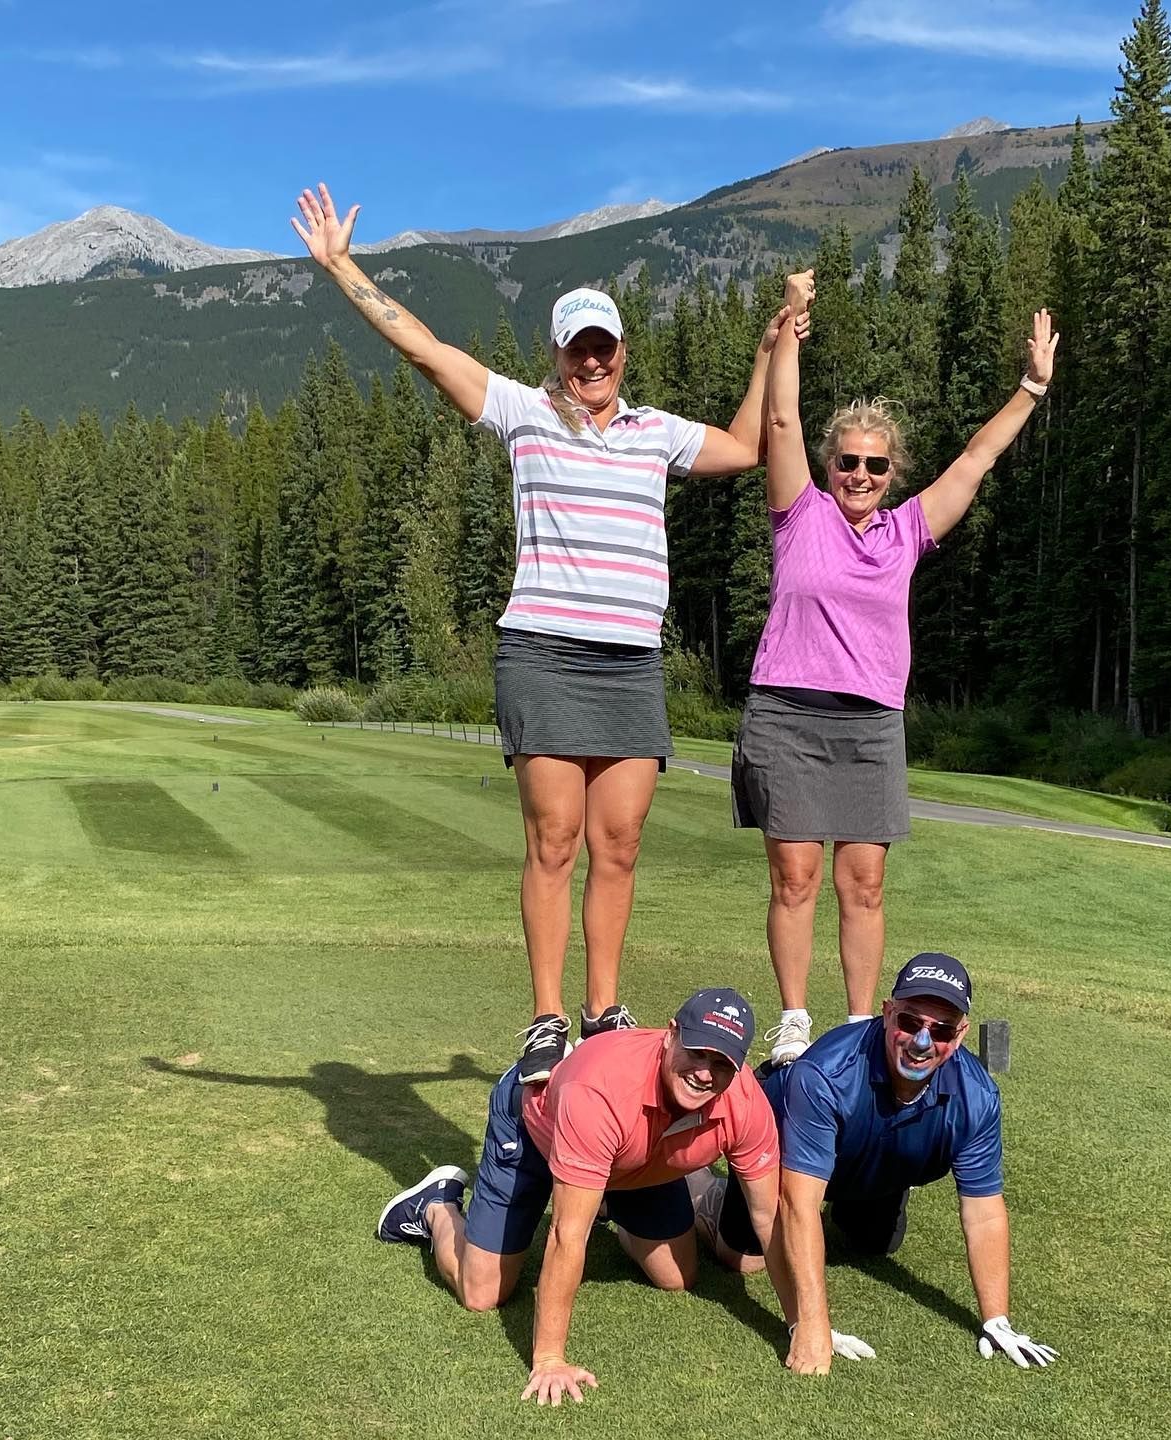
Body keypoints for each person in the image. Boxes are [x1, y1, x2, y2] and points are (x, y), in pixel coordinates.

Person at [292, 185, 804, 1082]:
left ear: (622, 352)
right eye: (578, 349)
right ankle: (546, 1017)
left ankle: (604, 1009)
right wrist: (342, 269)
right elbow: (424, 349)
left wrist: (768, 351)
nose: (592, 362)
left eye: (604, 347)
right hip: (543, 654)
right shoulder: (522, 412)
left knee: (620, 845)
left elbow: (746, 446)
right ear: (558, 354)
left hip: (631, 663)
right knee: (555, 840)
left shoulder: (655, 433)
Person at [733, 270, 1059, 1061]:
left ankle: (855, 1027)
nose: (860, 475)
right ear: (829, 464)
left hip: (871, 725)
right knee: (795, 879)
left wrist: (1031, 388)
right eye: (848, 461)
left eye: (875, 466)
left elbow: (976, 459)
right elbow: (779, 418)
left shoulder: (906, 532)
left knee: (865, 885)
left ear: (892, 474)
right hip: (788, 715)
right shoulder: (799, 513)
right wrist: (792, 324)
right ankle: (795, 1021)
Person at [374, 988, 787, 1405]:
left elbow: (769, 1218)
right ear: (671, 1034)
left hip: (631, 1154)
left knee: (677, 1278)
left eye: (721, 1063)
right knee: (482, 1293)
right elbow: (567, 1235)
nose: (704, 1073)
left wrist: (805, 1325)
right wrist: (549, 1359)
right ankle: (435, 1205)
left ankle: (605, 1193)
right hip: (535, 1130)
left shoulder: (745, 1101)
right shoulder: (599, 1088)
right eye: (696, 1053)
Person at [692, 954, 1057, 1374]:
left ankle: (847, 1201)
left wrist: (997, 1320)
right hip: (784, 1145)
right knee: (742, 1257)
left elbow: (984, 1213)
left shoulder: (978, 1096)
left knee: (873, 1243)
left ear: (960, 1035)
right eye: (910, 1022)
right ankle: (701, 1186)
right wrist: (811, 1325)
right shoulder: (824, 1074)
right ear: (887, 1013)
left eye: (940, 1030)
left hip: (870, 1164)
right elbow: (798, 1203)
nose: (922, 1042)